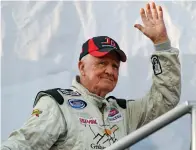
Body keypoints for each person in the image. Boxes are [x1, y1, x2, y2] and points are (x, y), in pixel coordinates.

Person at [1, 2, 181, 150]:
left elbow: (165, 99)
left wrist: (162, 45)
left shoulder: (124, 112)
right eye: (102, 63)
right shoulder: (58, 104)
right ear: (82, 67)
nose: (110, 71)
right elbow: (23, 143)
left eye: (115, 66)